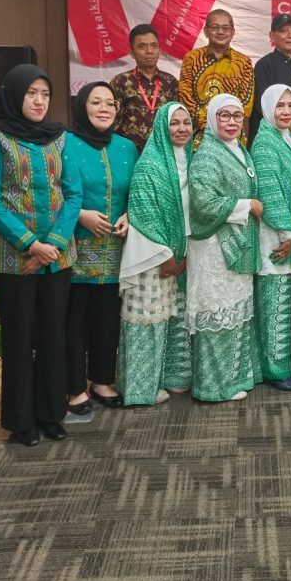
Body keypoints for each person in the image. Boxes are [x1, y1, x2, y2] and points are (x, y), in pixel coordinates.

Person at [0, 64, 82, 445]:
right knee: (20, 337)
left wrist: (52, 242)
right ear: (13, 95)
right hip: (14, 259)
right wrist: (30, 243)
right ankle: (21, 420)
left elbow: (72, 193)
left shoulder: (60, 137)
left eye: (45, 94)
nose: (39, 101)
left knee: (55, 335)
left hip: (58, 256)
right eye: (31, 94)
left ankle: (51, 413)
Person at [63, 82, 138, 414]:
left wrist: (128, 216)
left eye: (110, 103)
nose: (105, 109)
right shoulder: (63, 144)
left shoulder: (126, 147)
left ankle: (103, 380)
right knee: (74, 319)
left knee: (108, 318)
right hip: (74, 248)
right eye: (96, 102)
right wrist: (80, 215)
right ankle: (75, 387)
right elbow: (52, 191)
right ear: (82, 106)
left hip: (116, 251)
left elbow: (138, 192)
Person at [186, 94, 263, 401]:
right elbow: (203, 203)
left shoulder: (238, 150)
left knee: (236, 311)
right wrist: (248, 205)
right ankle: (213, 387)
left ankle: (235, 378)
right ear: (212, 119)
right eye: (224, 116)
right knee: (218, 312)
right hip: (215, 249)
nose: (232, 122)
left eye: (236, 116)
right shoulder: (207, 154)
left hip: (238, 244)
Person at [118, 102, 193, 405]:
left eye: (186, 123)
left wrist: (183, 253)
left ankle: (174, 377)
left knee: (175, 317)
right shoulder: (150, 164)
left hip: (181, 254)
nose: (181, 129)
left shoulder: (191, 160)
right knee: (147, 318)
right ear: (162, 126)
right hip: (151, 256)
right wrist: (167, 257)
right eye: (174, 123)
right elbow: (144, 214)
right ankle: (140, 388)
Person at [250, 85, 291, 390]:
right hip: (275, 235)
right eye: (280, 106)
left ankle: (280, 363)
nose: (286, 111)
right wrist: (288, 233)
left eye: (290, 105)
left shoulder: (286, 138)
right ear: (268, 108)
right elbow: (269, 192)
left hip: (286, 233)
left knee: (283, 301)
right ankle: (275, 370)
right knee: (274, 301)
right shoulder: (265, 142)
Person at [178, 9, 256, 144]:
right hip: (199, 137)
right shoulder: (191, 59)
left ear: (232, 32)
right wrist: (209, 125)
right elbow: (186, 97)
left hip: (233, 136)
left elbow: (246, 103)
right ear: (205, 31)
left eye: (225, 28)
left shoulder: (244, 63)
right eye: (215, 27)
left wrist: (227, 124)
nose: (220, 32)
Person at [109, 23, 180, 153]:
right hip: (130, 153)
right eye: (142, 47)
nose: (149, 51)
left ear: (160, 49)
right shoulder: (121, 82)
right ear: (132, 53)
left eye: (154, 46)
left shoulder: (171, 82)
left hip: (165, 152)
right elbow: (113, 124)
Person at [250, 13, 291, 145]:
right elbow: (261, 104)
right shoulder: (264, 65)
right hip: (272, 139)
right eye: (283, 31)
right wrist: (289, 127)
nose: (290, 35)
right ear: (272, 36)